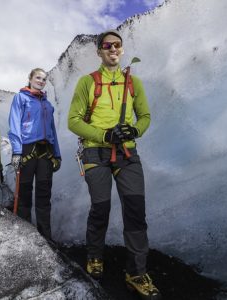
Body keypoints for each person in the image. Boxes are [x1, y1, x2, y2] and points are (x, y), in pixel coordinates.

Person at [68, 30, 161, 299]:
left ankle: (136, 272)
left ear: (121, 50)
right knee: (101, 207)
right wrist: (105, 135)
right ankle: (95, 255)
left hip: (127, 155)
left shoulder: (134, 83)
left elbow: (144, 116)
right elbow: (73, 121)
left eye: (117, 45)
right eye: (107, 45)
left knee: (135, 211)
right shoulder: (88, 83)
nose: (112, 49)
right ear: (99, 51)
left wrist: (134, 131)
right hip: (95, 153)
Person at [8, 68, 61, 241]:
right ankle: (25, 237)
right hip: (27, 150)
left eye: (44, 79)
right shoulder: (20, 98)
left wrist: (57, 154)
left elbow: (52, 129)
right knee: (24, 193)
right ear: (30, 78)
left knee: (44, 196)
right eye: (38, 77)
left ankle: (46, 238)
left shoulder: (47, 104)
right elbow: (14, 124)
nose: (41, 81)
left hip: (46, 152)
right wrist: (16, 151)